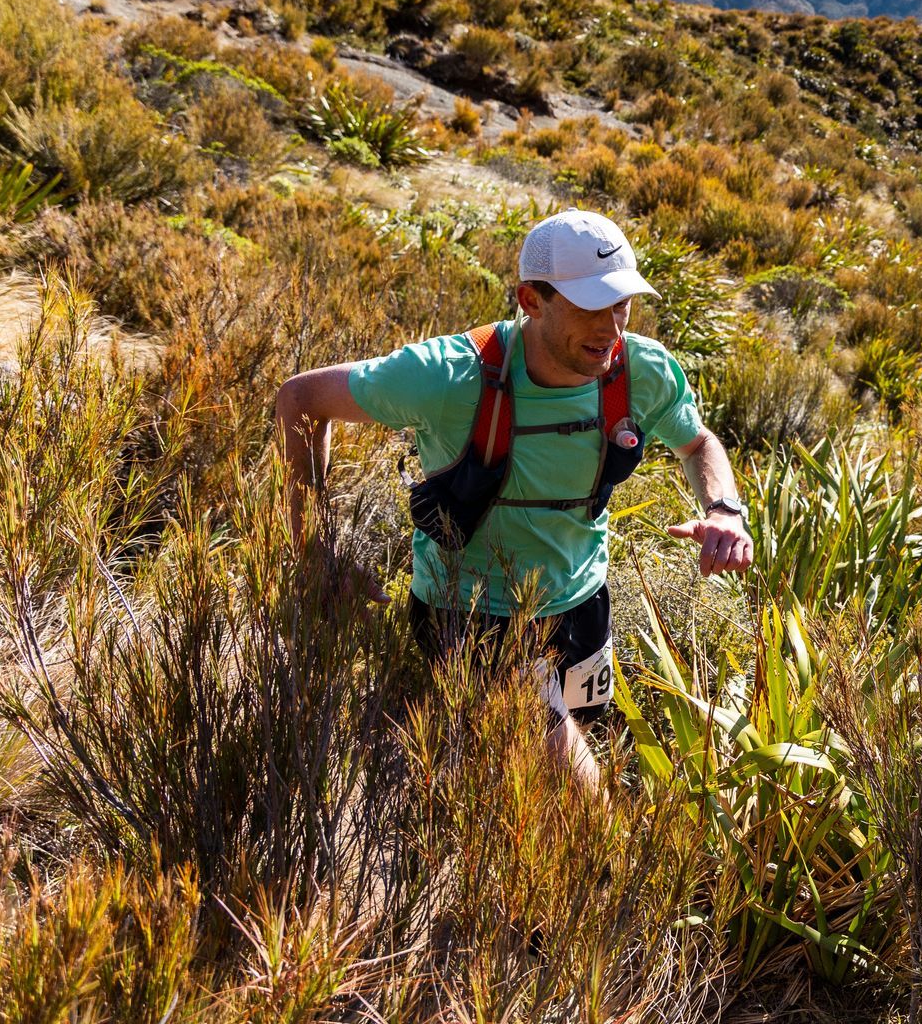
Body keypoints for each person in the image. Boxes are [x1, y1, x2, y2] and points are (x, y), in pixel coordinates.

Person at [275, 208, 753, 792]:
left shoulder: (640, 370)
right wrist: (312, 546)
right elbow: (301, 398)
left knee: (560, 751)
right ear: (531, 300)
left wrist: (723, 509)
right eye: (589, 305)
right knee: (579, 798)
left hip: (581, 606)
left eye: (621, 303)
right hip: (471, 613)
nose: (611, 328)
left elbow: (698, 441)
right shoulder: (448, 376)